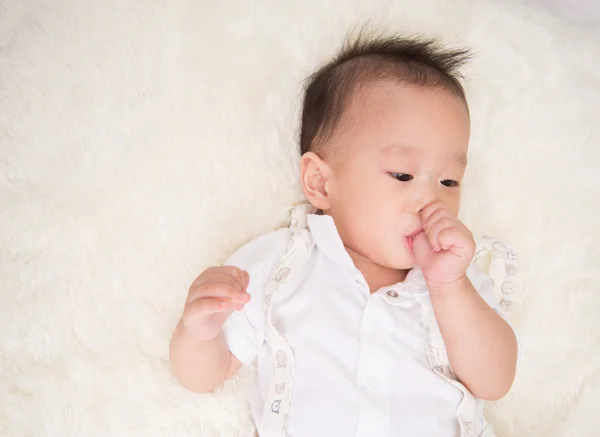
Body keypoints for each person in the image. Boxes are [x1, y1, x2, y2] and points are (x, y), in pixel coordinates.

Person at [170, 32, 519, 437]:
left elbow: (495, 382)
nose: (430, 199)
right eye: (402, 175)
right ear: (320, 183)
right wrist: (199, 333)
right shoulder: (280, 265)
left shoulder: (456, 280)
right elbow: (202, 378)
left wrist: (449, 286)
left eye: (449, 181)